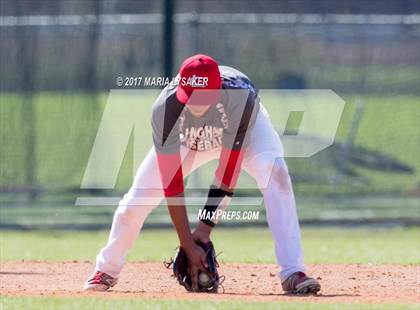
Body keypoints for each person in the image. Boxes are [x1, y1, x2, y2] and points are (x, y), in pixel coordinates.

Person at [83, 54, 320, 294]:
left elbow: (228, 171)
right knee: (136, 201)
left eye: (203, 97)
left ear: (217, 91)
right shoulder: (165, 109)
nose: (195, 104)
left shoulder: (240, 101)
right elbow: (172, 184)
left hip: (241, 126)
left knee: (276, 173)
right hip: (189, 137)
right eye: (190, 97)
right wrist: (187, 242)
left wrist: (204, 229)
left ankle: (293, 272)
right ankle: (107, 269)